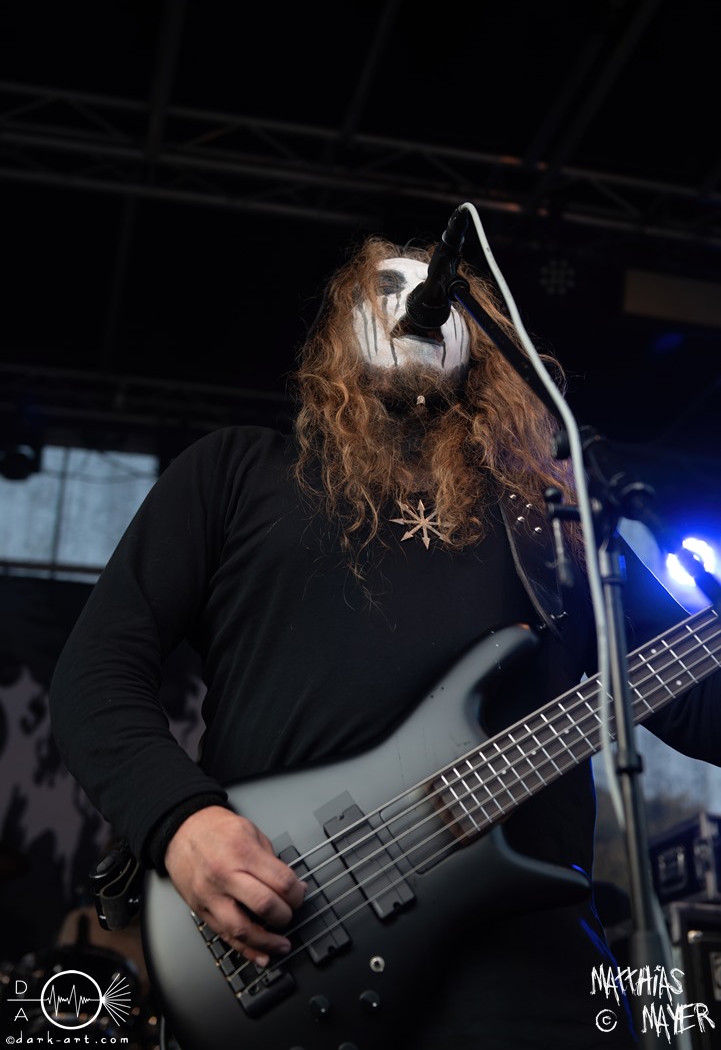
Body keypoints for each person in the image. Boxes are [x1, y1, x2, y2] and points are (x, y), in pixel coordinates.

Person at [49, 225, 721, 1050]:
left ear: (484, 346)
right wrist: (181, 822)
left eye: (439, 300)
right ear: (341, 335)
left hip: (526, 980)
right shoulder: (234, 473)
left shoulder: (556, 519)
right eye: (386, 293)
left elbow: (699, 707)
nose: (413, 308)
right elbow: (95, 674)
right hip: (290, 940)